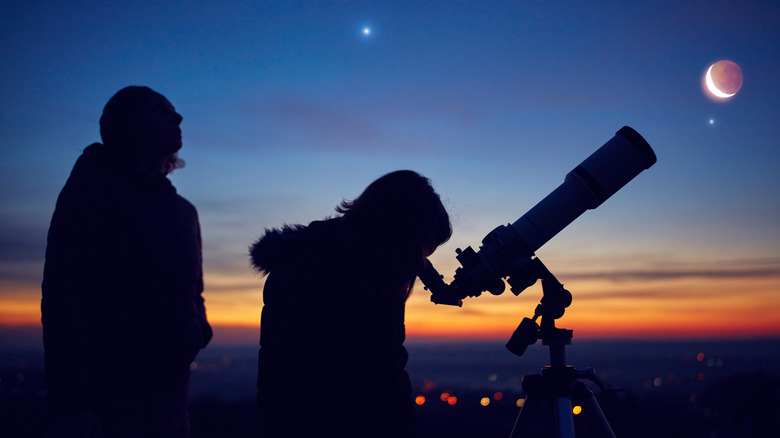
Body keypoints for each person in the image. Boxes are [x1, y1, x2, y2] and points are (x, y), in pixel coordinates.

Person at [41, 86, 212, 438]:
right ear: (127, 124)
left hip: (172, 395)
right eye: (158, 110)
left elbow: (193, 291)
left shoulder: (184, 212)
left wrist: (198, 329)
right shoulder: (93, 189)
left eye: (174, 111)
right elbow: (65, 296)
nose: (176, 118)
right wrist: (72, 405)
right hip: (110, 395)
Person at [249, 170, 452, 437]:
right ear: (395, 235)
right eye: (416, 251)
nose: (413, 265)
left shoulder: (375, 273)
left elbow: (390, 366)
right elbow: (282, 387)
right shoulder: (305, 272)